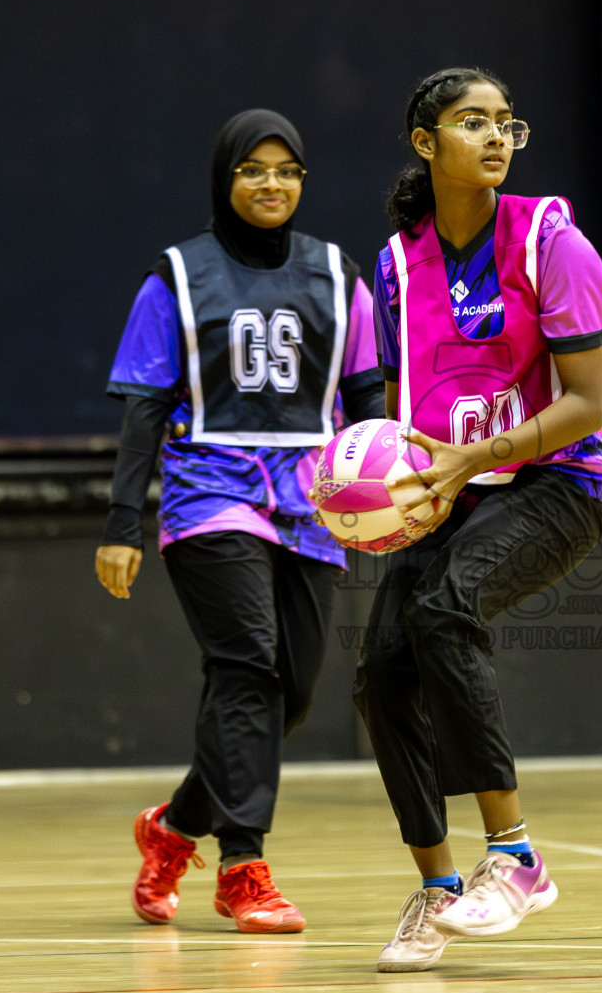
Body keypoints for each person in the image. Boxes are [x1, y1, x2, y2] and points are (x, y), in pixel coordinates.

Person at [343, 67, 602, 972]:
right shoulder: (393, 264)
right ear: (426, 144)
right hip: (456, 491)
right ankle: (437, 889)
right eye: (474, 123)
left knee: (442, 609)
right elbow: (401, 404)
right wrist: (396, 485)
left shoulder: (551, 240)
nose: (497, 137)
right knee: (380, 671)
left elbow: (586, 404)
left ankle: (517, 857)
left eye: (507, 123)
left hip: (556, 483)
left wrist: (472, 460)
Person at [94, 109, 384, 931]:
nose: (271, 184)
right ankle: (244, 867)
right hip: (210, 495)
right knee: (247, 669)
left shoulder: (338, 272)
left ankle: (174, 826)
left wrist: (393, 489)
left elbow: (365, 397)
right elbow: (144, 409)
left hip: (315, 502)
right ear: (225, 179)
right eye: (253, 170)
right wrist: (122, 524)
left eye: (286, 170)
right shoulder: (177, 278)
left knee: (285, 691)